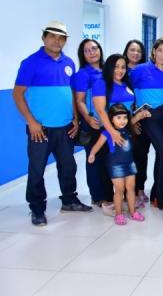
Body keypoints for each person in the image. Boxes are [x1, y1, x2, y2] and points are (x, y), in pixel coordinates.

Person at [13, 21, 92, 226]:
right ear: (44, 38)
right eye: (52, 36)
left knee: (68, 166)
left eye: (61, 38)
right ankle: (37, 208)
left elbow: (71, 93)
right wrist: (32, 122)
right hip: (41, 129)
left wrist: (75, 118)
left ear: (65, 41)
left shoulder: (68, 63)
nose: (57, 41)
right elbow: (18, 94)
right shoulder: (30, 63)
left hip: (65, 127)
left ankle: (69, 200)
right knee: (37, 169)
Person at [129, 38, 163, 209]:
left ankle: (156, 192)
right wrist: (133, 117)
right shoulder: (140, 70)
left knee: (162, 157)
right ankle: (160, 196)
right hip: (148, 116)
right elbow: (128, 93)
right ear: (154, 51)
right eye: (160, 50)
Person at [71, 39, 113, 215]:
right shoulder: (82, 74)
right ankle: (98, 196)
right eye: (87, 50)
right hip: (94, 124)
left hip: (109, 123)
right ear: (83, 55)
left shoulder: (106, 71)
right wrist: (88, 119)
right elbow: (79, 100)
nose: (92, 52)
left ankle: (109, 193)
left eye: (94, 48)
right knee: (94, 159)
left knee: (108, 160)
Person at [88, 104, 148, 225]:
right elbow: (98, 144)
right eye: (118, 118)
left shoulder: (129, 129)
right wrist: (92, 154)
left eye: (125, 117)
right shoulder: (107, 132)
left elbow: (135, 119)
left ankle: (133, 212)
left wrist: (142, 114)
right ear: (111, 119)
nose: (122, 121)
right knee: (119, 190)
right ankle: (119, 214)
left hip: (130, 164)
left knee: (131, 189)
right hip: (115, 166)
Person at [123, 39, 151, 203]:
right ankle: (125, 191)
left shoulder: (144, 71)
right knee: (124, 157)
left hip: (140, 120)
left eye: (139, 51)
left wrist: (137, 118)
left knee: (141, 155)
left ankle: (139, 188)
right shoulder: (120, 71)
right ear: (126, 51)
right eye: (132, 50)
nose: (135, 53)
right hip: (122, 122)